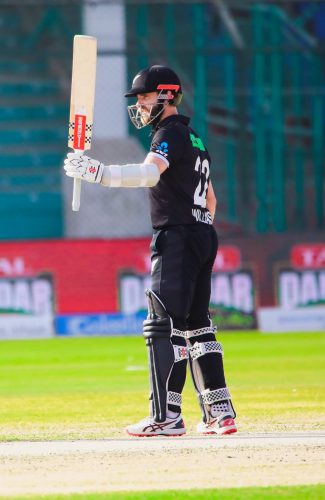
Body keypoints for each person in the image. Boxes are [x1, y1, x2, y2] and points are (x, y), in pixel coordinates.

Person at [64, 65, 237, 437]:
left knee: (163, 325)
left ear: (167, 95)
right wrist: (197, 230)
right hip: (203, 233)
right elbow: (211, 198)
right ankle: (220, 414)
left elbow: (150, 174)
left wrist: (99, 173)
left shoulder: (168, 134)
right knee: (197, 326)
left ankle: (166, 417)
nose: (139, 105)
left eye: (144, 97)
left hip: (176, 237)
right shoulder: (194, 138)